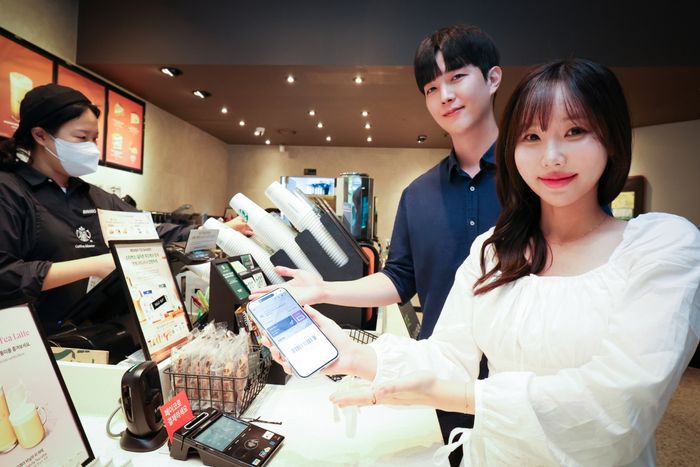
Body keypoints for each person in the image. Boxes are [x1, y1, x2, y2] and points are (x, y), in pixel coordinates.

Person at [265, 58, 700, 465]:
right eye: (531, 137)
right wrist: (351, 354)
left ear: (611, 138)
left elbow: (621, 403)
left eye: (575, 131)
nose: (551, 156)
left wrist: (463, 397)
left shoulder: (660, 247)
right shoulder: (492, 250)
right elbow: (448, 354)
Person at [253, 25, 503, 457]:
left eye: (458, 77)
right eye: (432, 87)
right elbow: (400, 278)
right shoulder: (418, 195)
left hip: (525, 375)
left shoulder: (536, 178)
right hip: (442, 374)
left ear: (493, 78)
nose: (445, 95)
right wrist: (323, 289)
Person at [0, 83, 251, 334]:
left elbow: (150, 232)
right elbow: (6, 275)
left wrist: (217, 231)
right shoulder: (9, 191)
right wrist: (95, 265)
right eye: (81, 137)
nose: (92, 148)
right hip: (30, 339)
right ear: (40, 135)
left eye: (94, 139)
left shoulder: (93, 197)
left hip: (90, 335)